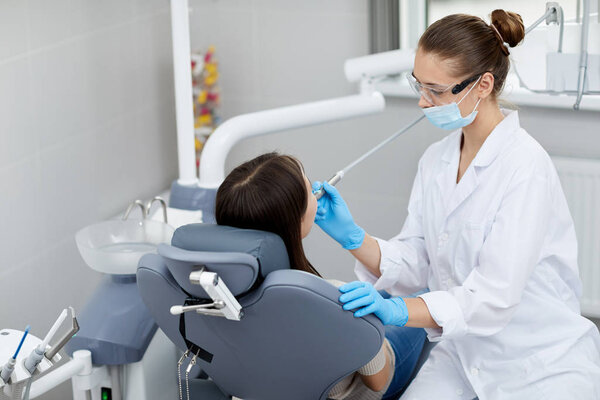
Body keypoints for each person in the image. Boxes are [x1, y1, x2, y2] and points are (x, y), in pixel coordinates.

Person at [313, 10, 600, 399]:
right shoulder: (436, 160)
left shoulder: (525, 168)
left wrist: (399, 311)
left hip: (538, 362)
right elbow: (419, 259)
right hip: (463, 356)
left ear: (482, 85)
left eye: (435, 90)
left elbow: (493, 298)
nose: (422, 102)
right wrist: (353, 238)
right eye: (419, 85)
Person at [215, 152, 426, 400]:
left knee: (388, 292)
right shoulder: (330, 300)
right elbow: (377, 381)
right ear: (298, 219)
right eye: (308, 185)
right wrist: (366, 326)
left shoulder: (215, 293)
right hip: (367, 386)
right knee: (429, 291)